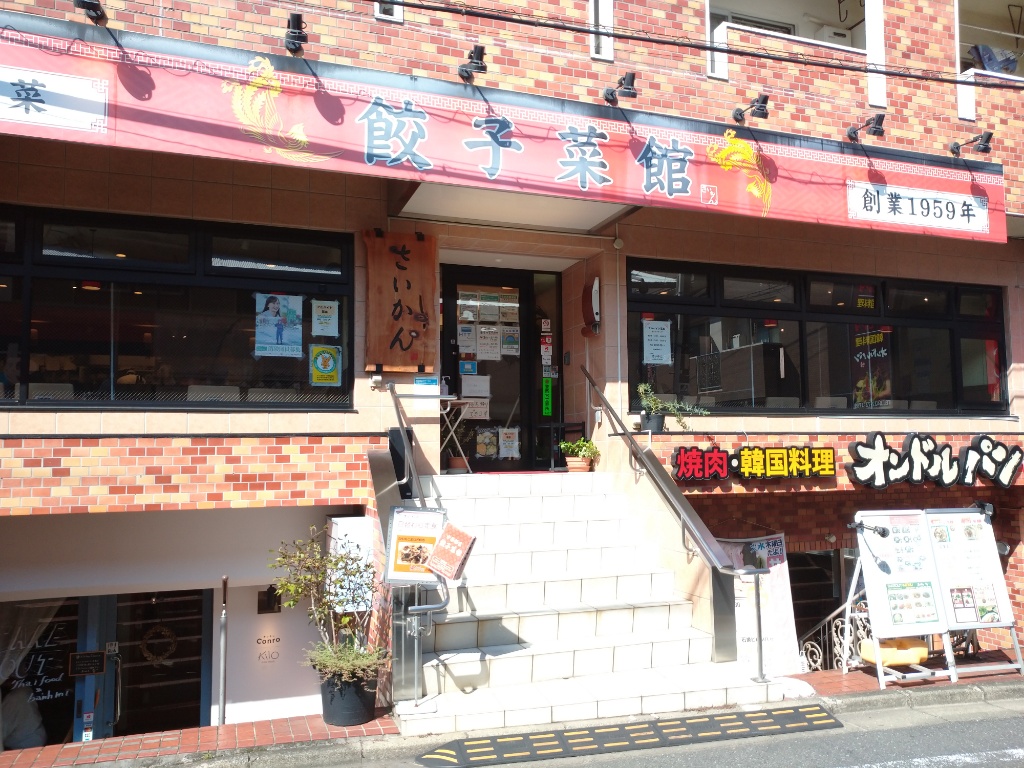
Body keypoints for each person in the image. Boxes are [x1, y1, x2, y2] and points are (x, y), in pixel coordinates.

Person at [1, 682, 47, 751]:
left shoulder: (16, 697)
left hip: (24, 746)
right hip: (35, 739)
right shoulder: (24, 690)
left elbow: (2, 730)